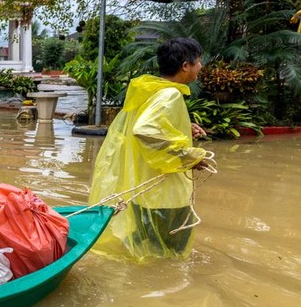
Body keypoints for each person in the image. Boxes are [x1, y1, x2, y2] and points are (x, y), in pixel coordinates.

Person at [88, 37, 211, 261]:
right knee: (170, 258)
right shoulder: (170, 94)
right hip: (166, 196)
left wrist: (183, 127)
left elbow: (150, 125)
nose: (200, 67)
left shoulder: (151, 90)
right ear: (186, 65)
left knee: (146, 251)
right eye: (198, 62)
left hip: (144, 193)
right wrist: (189, 156)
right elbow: (145, 130)